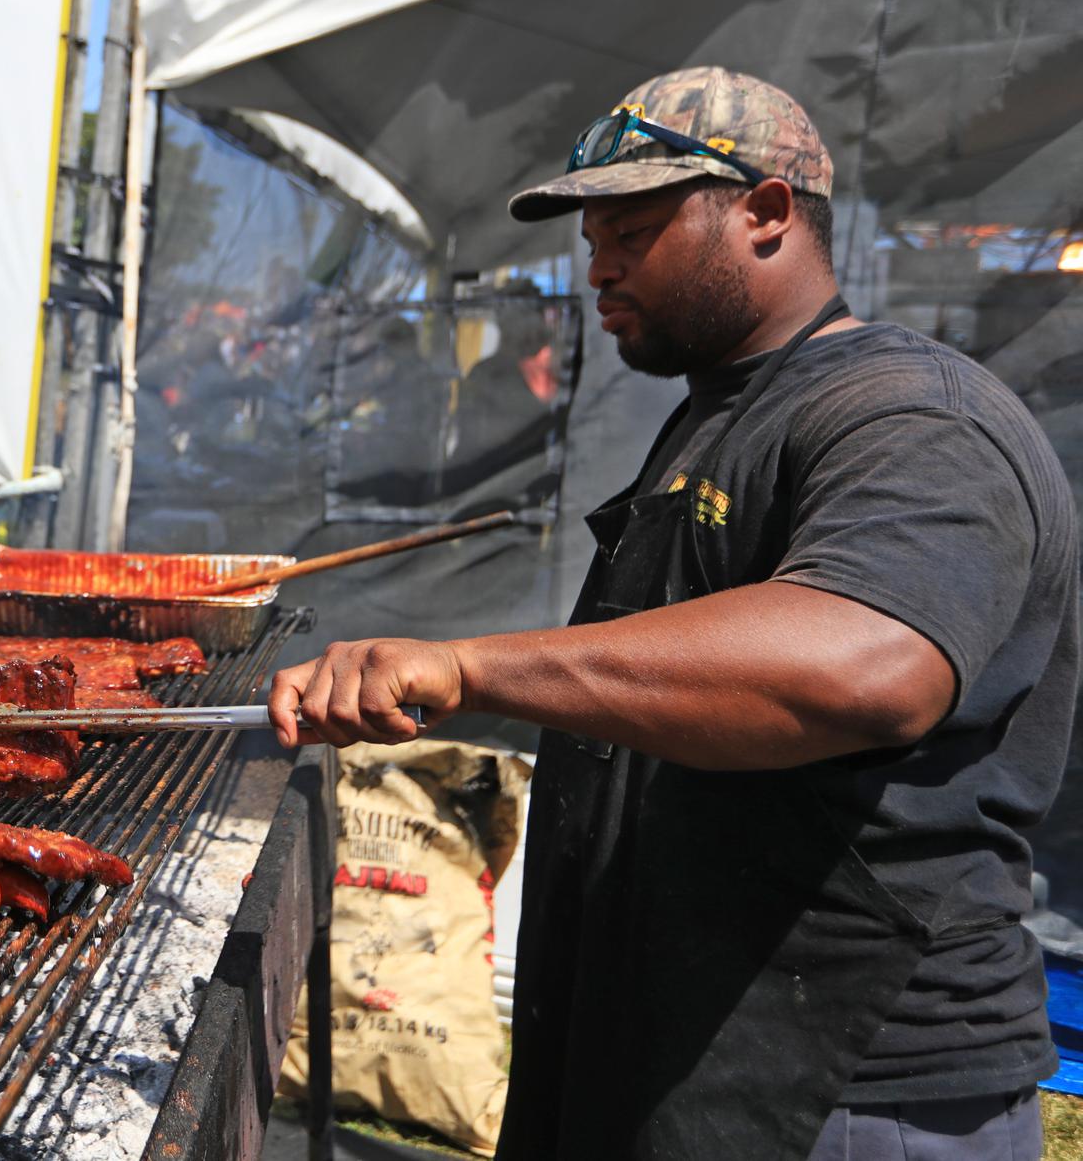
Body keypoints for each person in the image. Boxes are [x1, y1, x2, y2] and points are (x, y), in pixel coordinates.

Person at [268, 68, 1073, 1161]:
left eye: (634, 230)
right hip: (674, 1047)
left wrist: (463, 667)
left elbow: (865, 666)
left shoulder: (909, 415)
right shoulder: (718, 414)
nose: (597, 265)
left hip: (840, 1085)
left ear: (766, 213)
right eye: (591, 235)